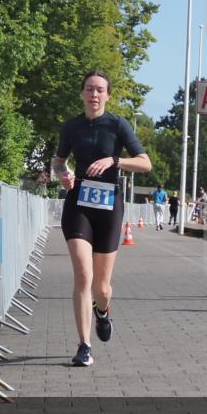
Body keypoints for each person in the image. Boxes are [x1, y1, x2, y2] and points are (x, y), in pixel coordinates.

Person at [52, 70, 152, 367]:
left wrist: (115, 160)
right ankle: (84, 346)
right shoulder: (71, 126)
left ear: (107, 95)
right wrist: (63, 175)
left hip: (109, 206)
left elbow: (146, 163)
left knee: (103, 288)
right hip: (78, 203)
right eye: (89, 89)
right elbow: (59, 161)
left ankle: (103, 311)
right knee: (83, 275)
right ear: (82, 93)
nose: (94, 95)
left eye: (99, 90)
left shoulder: (118, 125)